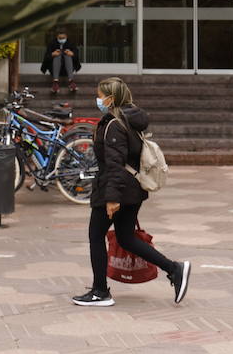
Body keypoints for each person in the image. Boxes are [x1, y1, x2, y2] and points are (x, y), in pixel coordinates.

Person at [73, 76, 191, 308]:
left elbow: (115, 164)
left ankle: (100, 291)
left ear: (111, 98)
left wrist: (112, 198)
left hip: (117, 190)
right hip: (131, 189)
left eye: (100, 95)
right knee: (125, 238)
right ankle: (174, 269)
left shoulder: (114, 125)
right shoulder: (128, 120)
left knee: (96, 237)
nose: (98, 100)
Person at [40, 27, 81, 96]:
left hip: (67, 69)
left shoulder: (70, 43)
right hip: (54, 68)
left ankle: (71, 81)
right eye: (60, 38)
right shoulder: (52, 43)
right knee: (57, 56)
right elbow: (46, 57)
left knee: (67, 56)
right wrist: (53, 54)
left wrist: (72, 54)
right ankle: (55, 82)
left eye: (63, 38)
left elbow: (76, 55)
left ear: (66, 36)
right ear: (57, 37)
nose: (62, 40)